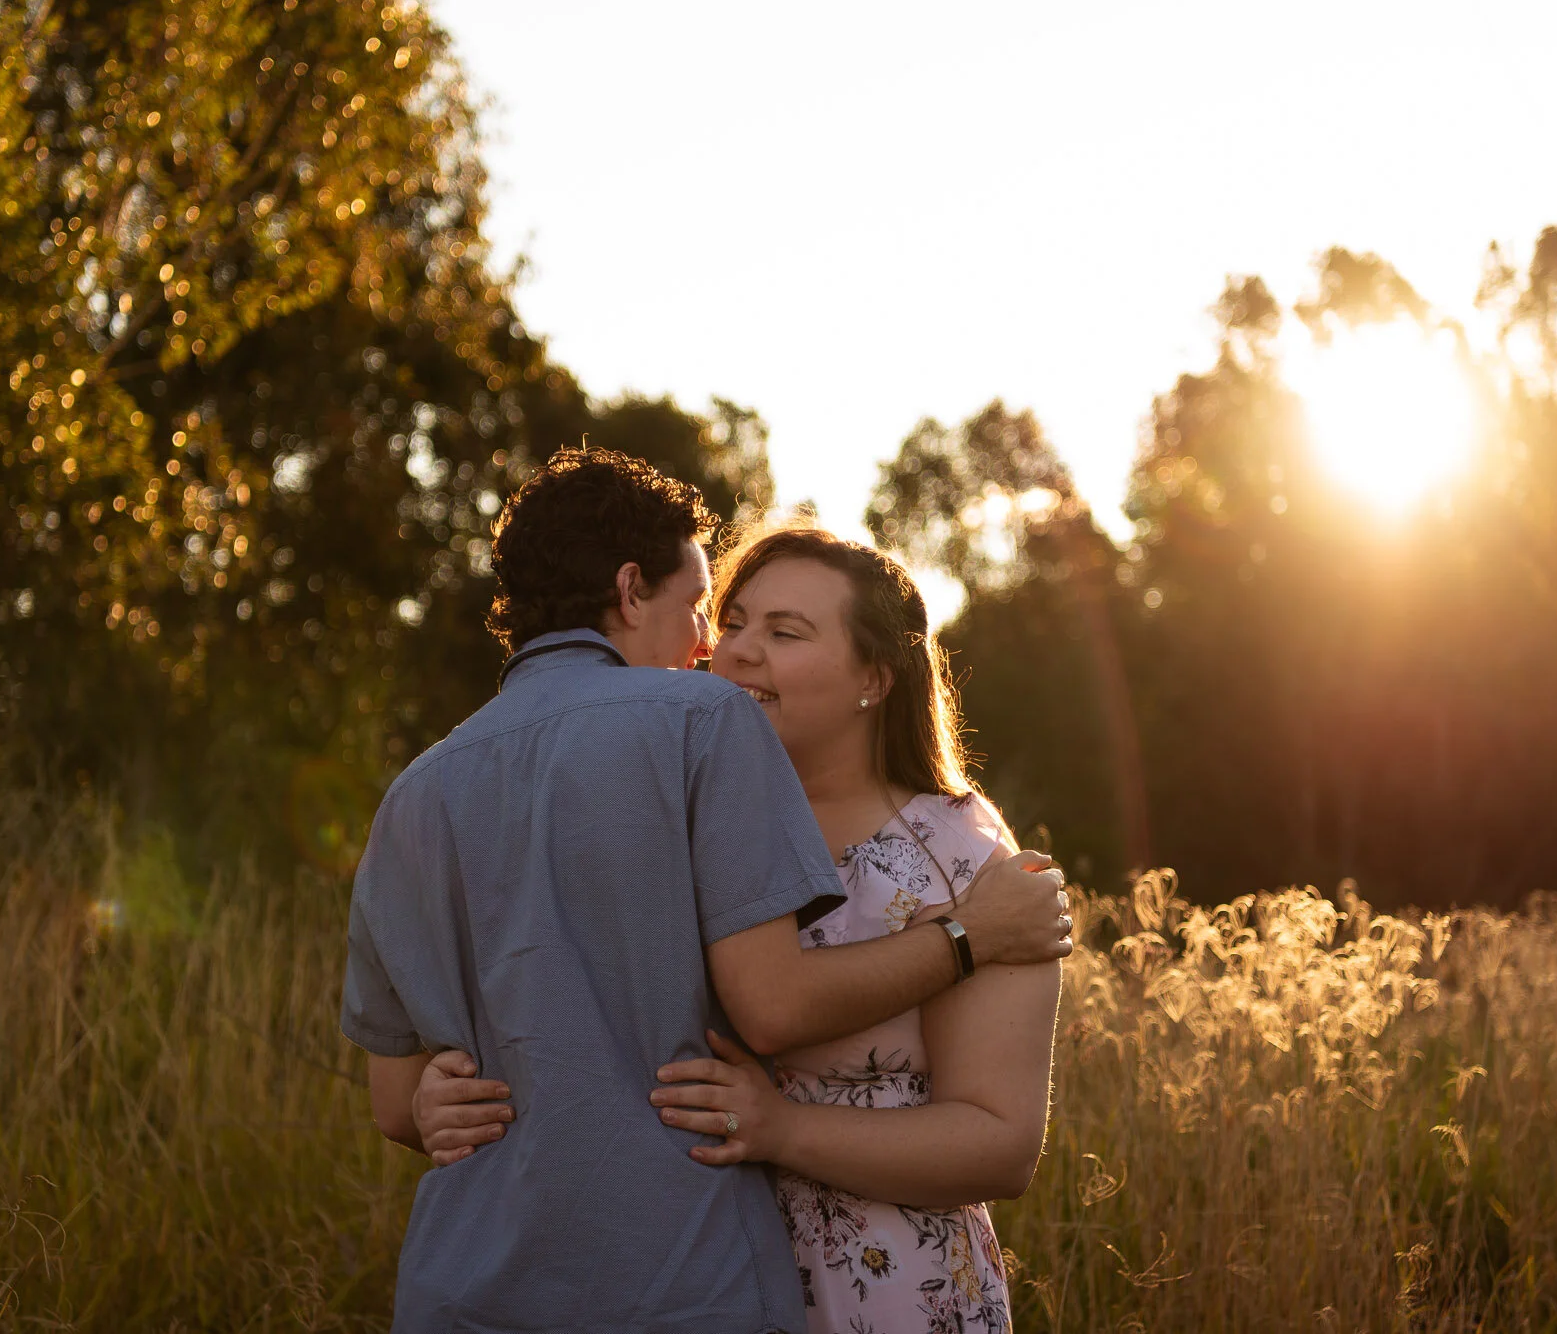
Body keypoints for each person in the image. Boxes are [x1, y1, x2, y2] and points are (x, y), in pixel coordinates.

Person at [339, 448, 1073, 1333]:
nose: (711, 648)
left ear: (879, 677)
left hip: (474, 1286)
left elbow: (395, 1097)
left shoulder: (414, 789)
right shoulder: (696, 737)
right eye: (710, 612)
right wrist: (964, 938)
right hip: (684, 1277)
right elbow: (767, 1007)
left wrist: (427, 1102)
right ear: (628, 589)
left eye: (782, 629)